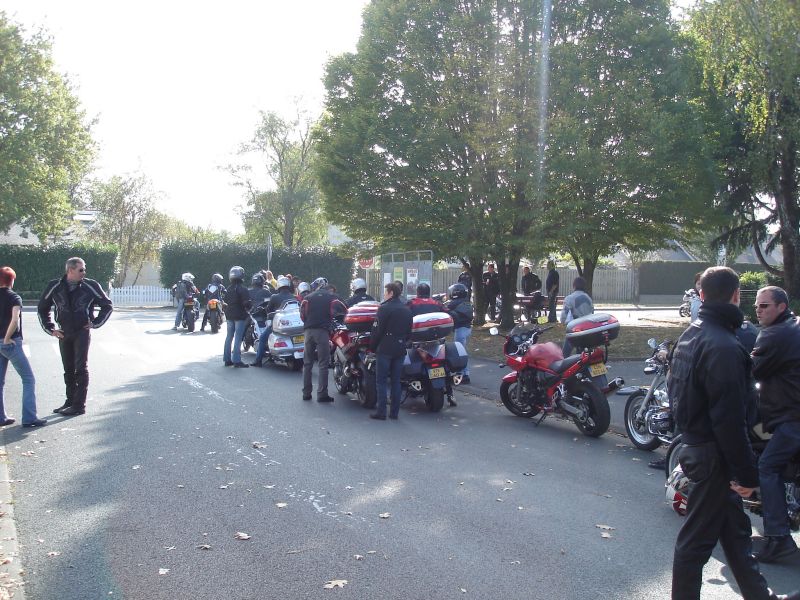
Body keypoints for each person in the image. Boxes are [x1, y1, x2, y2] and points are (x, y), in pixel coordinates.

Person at [668, 266, 798, 600]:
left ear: (701, 295)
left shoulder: (692, 335)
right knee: (694, 545)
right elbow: (729, 419)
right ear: (737, 295)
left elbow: (677, 393)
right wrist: (746, 473)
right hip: (714, 455)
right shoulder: (724, 345)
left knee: (737, 535)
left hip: (700, 447)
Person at [750, 286, 800, 563]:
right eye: (757, 305)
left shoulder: (774, 334)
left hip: (791, 417)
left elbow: (752, 369)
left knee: (767, 468)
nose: (758, 310)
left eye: (765, 306)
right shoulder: (794, 326)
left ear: (781, 307)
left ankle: (779, 538)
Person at [37, 257, 113, 416]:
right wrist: (51, 329)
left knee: (81, 368)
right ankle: (70, 401)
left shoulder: (90, 285)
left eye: (84, 269)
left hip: (81, 332)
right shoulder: (55, 286)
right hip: (64, 332)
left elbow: (107, 305)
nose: (84, 272)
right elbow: (42, 308)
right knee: (68, 369)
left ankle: (79, 405)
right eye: (81, 269)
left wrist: (95, 323)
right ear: (70, 270)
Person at [0, 267, 46, 427]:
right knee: (28, 378)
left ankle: (1, 417)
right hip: (10, 342)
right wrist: (7, 338)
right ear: (11, 280)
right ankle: (29, 417)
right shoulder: (14, 297)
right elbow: (14, 320)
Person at [369, 281, 413, 420]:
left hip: (385, 348)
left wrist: (372, 347)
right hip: (400, 348)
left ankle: (381, 411)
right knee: (396, 381)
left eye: (385, 292)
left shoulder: (384, 308)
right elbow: (409, 331)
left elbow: (377, 331)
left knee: (381, 381)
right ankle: (394, 412)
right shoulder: (406, 309)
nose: (384, 294)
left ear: (391, 293)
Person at [300, 279, 346, 402]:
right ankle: (322, 394)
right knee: (323, 364)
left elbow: (302, 315)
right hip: (322, 331)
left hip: (308, 331)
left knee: (307, 363)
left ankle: (306, 393)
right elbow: (343, 309)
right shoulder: (331, 297)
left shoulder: (308, 297)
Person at [250, 276, 297, 368]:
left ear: (279, 286)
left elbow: (268, 310)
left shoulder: (275, 297)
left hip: (278, 326)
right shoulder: (293, 297)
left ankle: (258, 361)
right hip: (292, 325)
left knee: (262, 338)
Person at [222, 266, 251, 368]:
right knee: (238, 338)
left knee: (229, 337)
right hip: (239, 316)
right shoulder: (243, 289)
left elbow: (225, 302)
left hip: (229, 315)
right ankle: (237, 360)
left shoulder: (228, 289)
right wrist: (249, 307)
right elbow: (246, 303)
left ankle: (227, 359)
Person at [446, 282, 473, 386]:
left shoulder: (454, 303)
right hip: (467, 328)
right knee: (462, 351)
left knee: (459, 353)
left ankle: (463, 375)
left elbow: (445, 309)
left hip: (460, 329)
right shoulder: (466, 301)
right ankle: (463, 374)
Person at [560, 277, 594, 355]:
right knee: (583, 354)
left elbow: (564, 316)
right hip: (588, 329)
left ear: (574, 286)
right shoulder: (588, 298)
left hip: (576, 329)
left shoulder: (570, 298)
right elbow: (592, 312)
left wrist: (564, 322)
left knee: (565, 353)